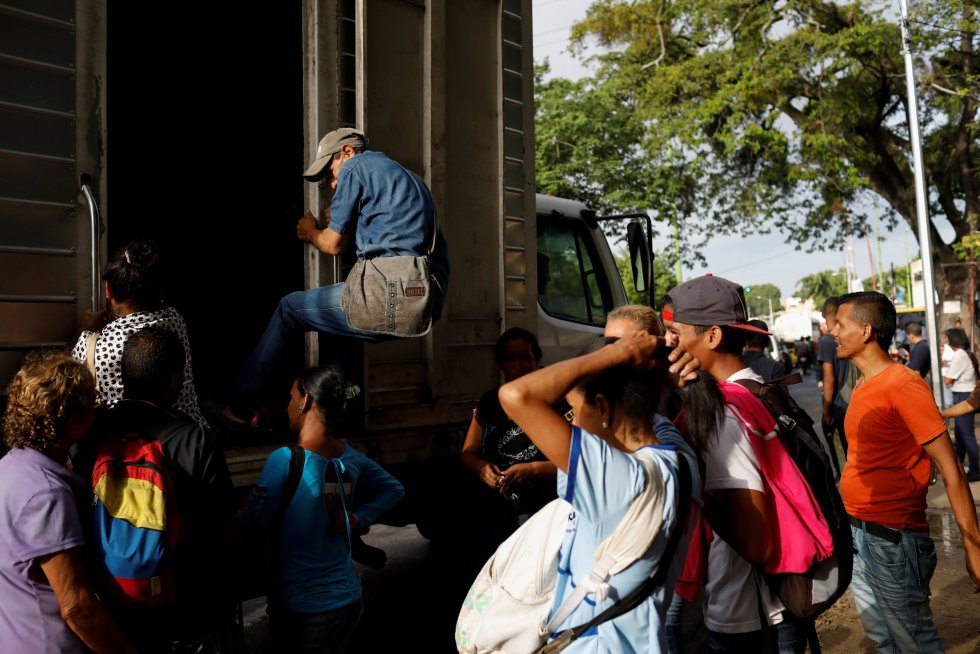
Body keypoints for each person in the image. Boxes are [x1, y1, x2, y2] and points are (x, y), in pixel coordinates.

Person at [224, 127, 450, 425]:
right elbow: (398, 240)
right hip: (423, 301)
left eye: (330, 172)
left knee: (289, 308)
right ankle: (330, 415)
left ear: (346, 151)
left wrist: (311, 231)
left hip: (386, 296)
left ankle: (241, 405)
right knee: (336, 322)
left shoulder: (356, 167)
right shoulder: (408, 179)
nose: (332, 183)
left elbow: (332, 244)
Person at [498, 330, 703, 652]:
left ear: (603, 408)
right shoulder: (678, 459)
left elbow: (515, 395)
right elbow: (650, 415)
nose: (573, 422)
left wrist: (616, 354)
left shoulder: (619, 480)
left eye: (574, 411)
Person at [663, 274, 812, 654]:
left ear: (712, 336)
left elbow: (758, 543)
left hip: (746, 611)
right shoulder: (758, 390)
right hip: (776, 601)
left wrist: (696, 495)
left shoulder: (724, 415)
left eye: (675, 332)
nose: (668, 342)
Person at [72, 326, 238, 650]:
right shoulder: (195, 440)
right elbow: (224, 532)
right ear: (176, 381)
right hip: (183, 619)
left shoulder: (92, 429)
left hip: (112, 611)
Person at [832, 291, 980, 652]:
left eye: (839, 323)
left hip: (892, 542)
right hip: (859, 534)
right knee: (884, 640)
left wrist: (973, 548)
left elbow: (952, 470)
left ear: (865, 330)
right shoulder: (864, 384)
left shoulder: (904, 385)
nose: (831, 330)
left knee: (915, 644)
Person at [235, 365, 405, 652]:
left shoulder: (284, 460)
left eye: (291, 398)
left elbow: (249, 526)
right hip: (348, 602)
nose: (288, 405)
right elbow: (394, 488)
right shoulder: (350, 456)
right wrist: (357, 518)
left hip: (305, 612)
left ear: (305, 402)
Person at [0, 352, 136, 654]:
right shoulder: (46, 496)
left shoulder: (8, 469)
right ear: (75, 423)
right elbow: (77, 608)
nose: (96, 413)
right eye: (91, 407)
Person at [70, 237, 209, 429]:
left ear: (108, 290)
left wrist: (82, 330)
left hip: (125, 450)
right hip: (186, 438)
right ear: (161, 292)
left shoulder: (92, 345)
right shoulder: (176, 322)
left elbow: (57, 372)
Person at [460, 328, 557, 554]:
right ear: (500, 364)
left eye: (524, 357)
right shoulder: (489, 403)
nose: (518, 366)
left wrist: (531, 470)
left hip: (539, 513)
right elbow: (468, 454)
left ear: (537, 359)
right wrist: (482, 467)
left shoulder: (555, 403)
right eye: (509, 359)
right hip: (492, 512)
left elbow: (576, 463)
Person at [817, 296, 853, 472]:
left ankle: (846, 481)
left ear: (824, 314)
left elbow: (829, 378)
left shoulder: (826, 340)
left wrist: (826, 411)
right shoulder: (848, 335)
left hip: (838, 406)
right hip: (852, 402)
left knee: (841, 451)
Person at [942, 327, 980, 481]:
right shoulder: (964, 354)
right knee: (960, 435)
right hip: (964, 394)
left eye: (947, 339)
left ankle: (975, 469)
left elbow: (947, 380)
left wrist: (945, 367)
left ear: (952, 341)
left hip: (964, 395)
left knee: (966, 434)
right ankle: (958, 467)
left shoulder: (960, 356)